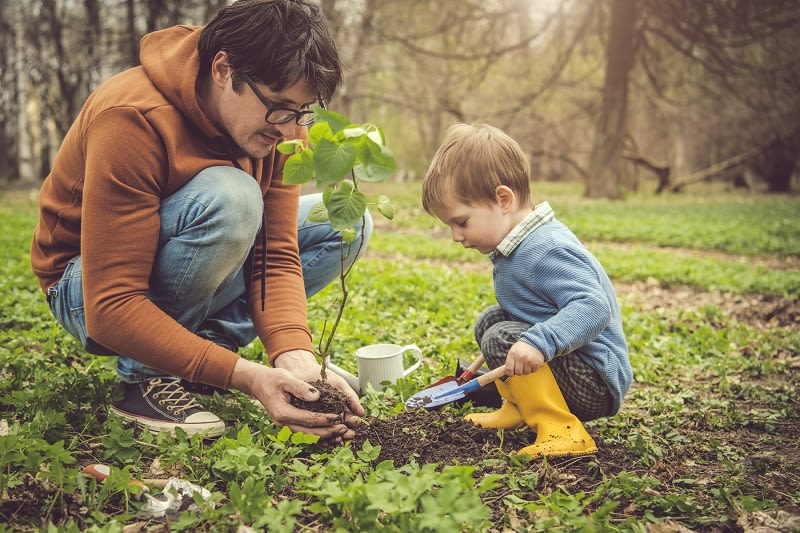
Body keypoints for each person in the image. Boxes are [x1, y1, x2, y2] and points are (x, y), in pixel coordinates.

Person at [30, 0, 368, 442]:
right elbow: (111, 303)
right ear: (224, 70)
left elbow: (276, 255)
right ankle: (145, 377)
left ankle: (203, 360)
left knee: (343, 224)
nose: (291, 130)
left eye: (303, 111)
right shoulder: (131, 117)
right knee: (234, 198)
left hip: (178, 264)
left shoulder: (284, 128)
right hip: (86, 290)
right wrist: (248, 378)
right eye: (281, 108)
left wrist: (293, 353)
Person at [421, 123, 632, 457]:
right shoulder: (517, 246)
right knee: (491, 322)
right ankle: (519, 407)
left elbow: (594, 307)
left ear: (503, 199)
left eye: (461, 222)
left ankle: (561, 428)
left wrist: (539, 342)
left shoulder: (545, 248)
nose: (456, 237)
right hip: (570, 365)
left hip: (594, 380)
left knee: (502, 337)